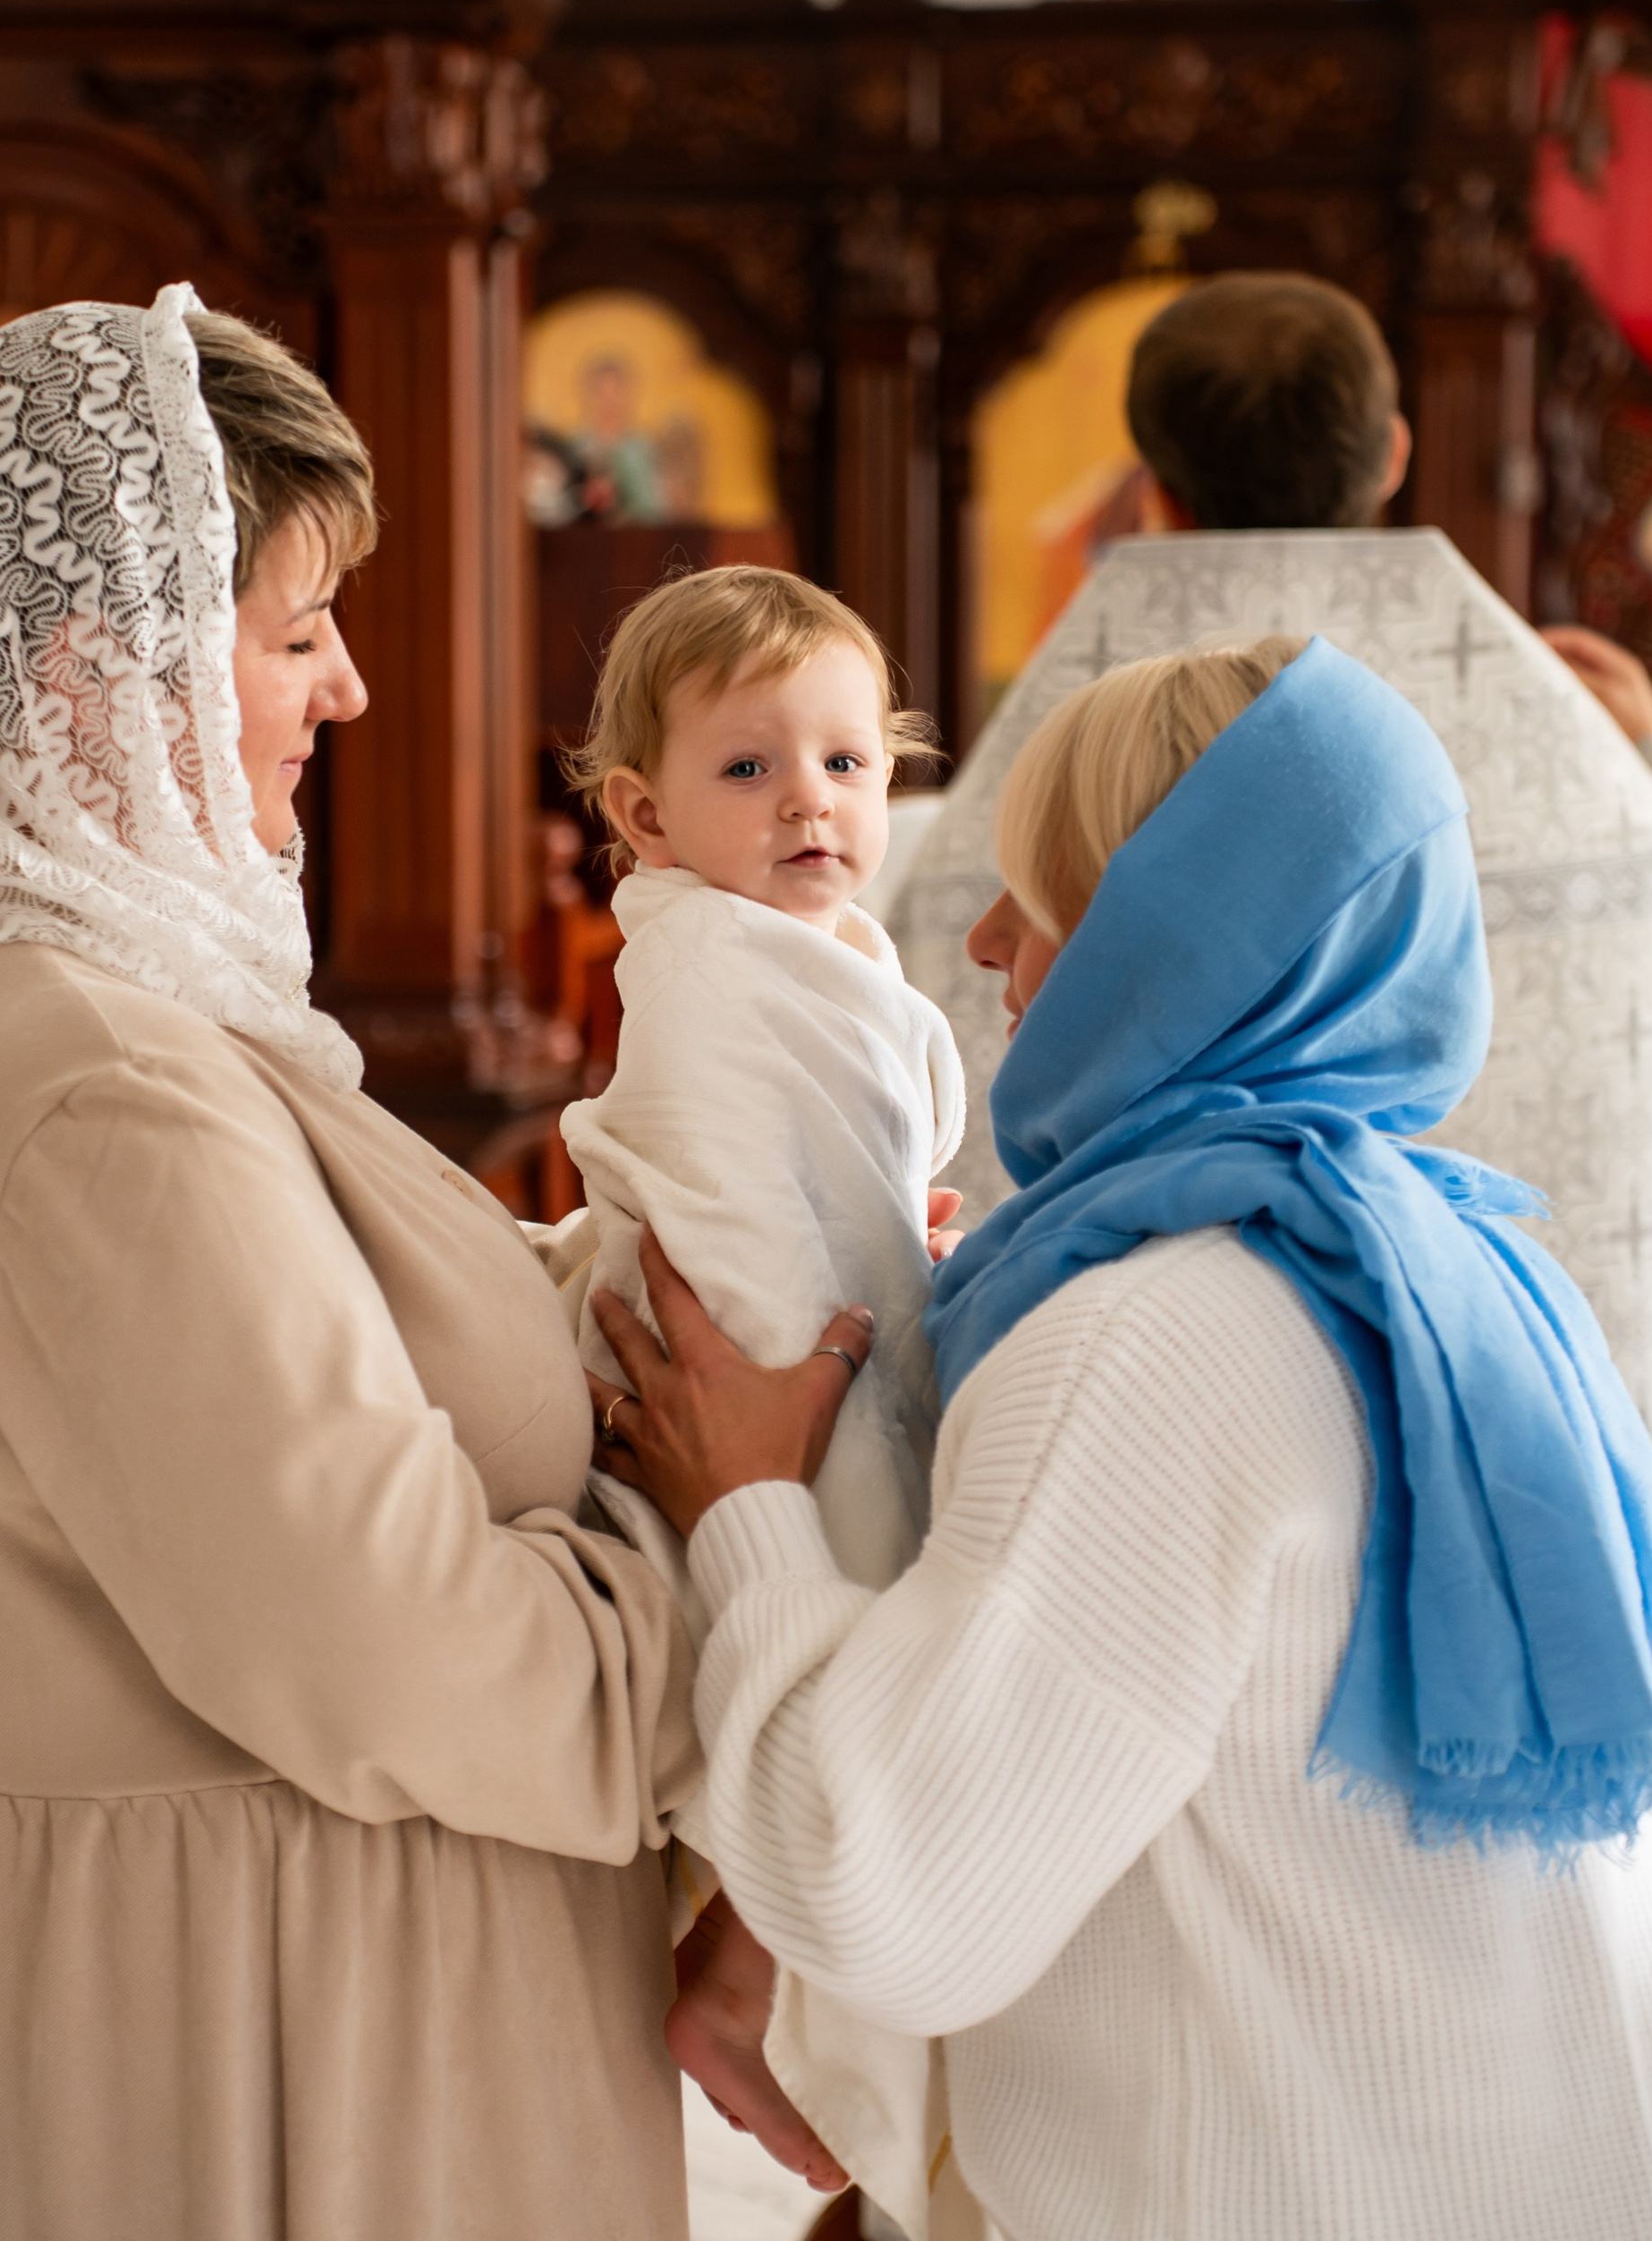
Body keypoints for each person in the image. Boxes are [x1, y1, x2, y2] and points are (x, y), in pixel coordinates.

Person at [0, 286, 869, 2241]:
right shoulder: (90, 1086)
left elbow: (298, 1334)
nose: (346, 686)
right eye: (294, 635)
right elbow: (408, 1650)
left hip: (194, 1988)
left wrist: (677, 1260)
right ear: (100, 678)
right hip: (260, 2055)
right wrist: (737, 1522)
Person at [594, 634, 1652, 2241]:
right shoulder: (1452, 1263)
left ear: (1169, 948)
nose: (988, 941)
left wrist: (747, 1507)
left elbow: (893, 1894)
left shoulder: (1152, 1334)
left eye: (1047, 906)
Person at [887, 270, 1652, 2223]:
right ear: (1393, 450)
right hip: (1546, 1470)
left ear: (1140, 484)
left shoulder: (1067, 748)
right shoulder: (1552, 725)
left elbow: (900, 1017)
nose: (1002, 944)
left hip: (1152, 1473)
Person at [555, 563, 963, 2230]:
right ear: (644, 815)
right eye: (749, 769)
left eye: (848, 763)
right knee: (867, 1655)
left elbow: (877, 1152)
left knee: (887, 1671)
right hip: (760, 1362)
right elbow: (723, 1185)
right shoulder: (705, 972)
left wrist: (915, 1230)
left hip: (842, 1334)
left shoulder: (837, 950)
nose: (811, 799)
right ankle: (754, 1987)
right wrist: (785, 1413)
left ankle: (750, 1968)